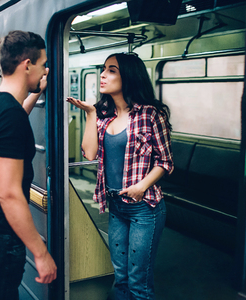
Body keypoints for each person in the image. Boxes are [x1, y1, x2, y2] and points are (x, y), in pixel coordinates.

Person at [67, 52, 173, 300]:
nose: (103, 75)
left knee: (139, 282)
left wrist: (141, 186)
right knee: (121, 278)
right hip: (115, 206)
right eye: (103, 69)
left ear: (129, 76)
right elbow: (90, 151)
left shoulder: (151, 114)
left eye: (112, 70)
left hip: (144, 208)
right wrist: (90, 114)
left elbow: (166, 162)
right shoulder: (104, 115)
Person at [0, 30, 57, 300]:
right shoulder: (9, 116)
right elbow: (9, 193)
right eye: (43, 64)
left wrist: (36, 94)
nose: (44, 71)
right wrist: (40, 253)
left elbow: (9, 126)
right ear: (27, 64)